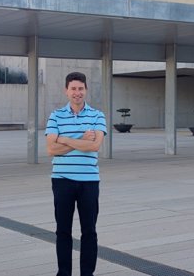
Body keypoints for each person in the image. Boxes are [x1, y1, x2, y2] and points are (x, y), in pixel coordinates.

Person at [45, 72, 107, 276]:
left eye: (80, 88)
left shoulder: (97, 115)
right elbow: (51, 150)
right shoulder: (56, 115)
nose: (77, 92)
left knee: (89, 231)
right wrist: (81, 138)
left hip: (89, 182)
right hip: (61, 181)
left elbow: (95, 145)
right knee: (63, 231)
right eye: (73, 88)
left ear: (86, 90)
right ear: (66, 91)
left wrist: (64, 139)